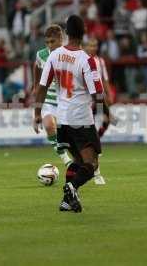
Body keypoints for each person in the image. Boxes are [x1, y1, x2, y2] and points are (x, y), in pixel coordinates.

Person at [34, 15, 110, 212]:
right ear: (83, 33)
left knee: (76, 161)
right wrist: (107, 113)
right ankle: (71, 187)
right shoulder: (87, 61)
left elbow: (41, 87)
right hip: (81, 119)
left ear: (66, 33)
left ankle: (67, 201)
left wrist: (37, 112)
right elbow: (97, 94)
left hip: (63, 118)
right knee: (91, 164)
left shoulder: (54, 55)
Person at [33, 24, 72, 168]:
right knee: (49, 125)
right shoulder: (41, 54)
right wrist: (36, 84)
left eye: (52, 42)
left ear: (61, 39)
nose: (49, 45)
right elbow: (36, 66)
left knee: (71, 136)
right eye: (47, 42)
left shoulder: (70, 54)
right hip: (48, 98)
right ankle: (66, 161)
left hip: (65, 100)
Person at [84, 37, 113, 185]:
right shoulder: (82, 61)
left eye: (95, 45)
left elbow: (104, 80)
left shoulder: (100, 61)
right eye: (91, 44)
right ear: (85, 46)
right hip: (86, 102)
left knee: (106, 122)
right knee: (90, 139)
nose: (93, 47)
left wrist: (109, 94)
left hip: (98, 99)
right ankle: (95, 172)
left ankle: (95, 171)